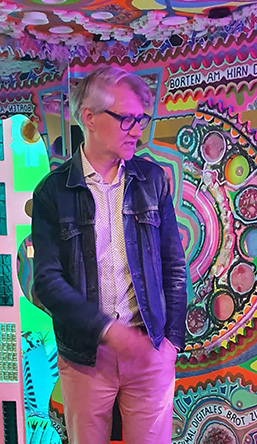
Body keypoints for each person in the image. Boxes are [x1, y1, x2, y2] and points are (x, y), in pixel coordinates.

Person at [31, 67, 187, 444]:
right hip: (85, 356)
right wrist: (105, 330)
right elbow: (47, 281)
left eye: (140, 119)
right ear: (89, 117)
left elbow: (174, 266)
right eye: (127, 119)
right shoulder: (53, 192)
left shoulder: (152, 180)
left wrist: (172, 342)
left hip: (150, 349)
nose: (137, 131)